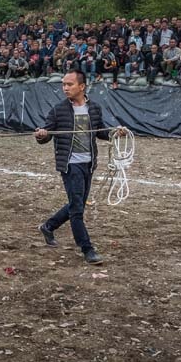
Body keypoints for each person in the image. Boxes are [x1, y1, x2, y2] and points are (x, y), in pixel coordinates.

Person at [34, 71, 126, 265]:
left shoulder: (94, 108)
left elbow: (100, 132)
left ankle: (48, 226)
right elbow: (47, 134)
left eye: (69, 84)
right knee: (77, 209)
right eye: (63, 84)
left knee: (77, 204)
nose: (65, 88)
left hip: (89, 163)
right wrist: (42, 134)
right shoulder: (58, 110)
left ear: (82, 86)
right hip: (70, 164)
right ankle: (87, 248)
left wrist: (114, 133)